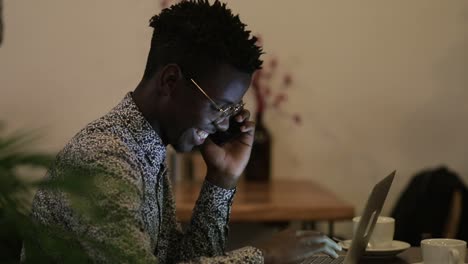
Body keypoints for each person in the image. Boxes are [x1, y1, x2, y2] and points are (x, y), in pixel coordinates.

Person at [24, 1, 341, 263]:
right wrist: (264, 256)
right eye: (219, 107)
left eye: (231, 110)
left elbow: (183, 259)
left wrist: (222, 178)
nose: (222, 124)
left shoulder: (146, 148)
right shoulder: (105, 157)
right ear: (170, 81)